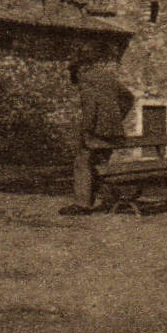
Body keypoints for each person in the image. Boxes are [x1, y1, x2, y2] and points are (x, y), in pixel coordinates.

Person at [63, 57, 134, 215]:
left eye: (73, 72)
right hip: (114, 131)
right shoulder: (108, 78)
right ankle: (109, 199)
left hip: (96, 132)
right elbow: (129, 97)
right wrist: (117, 117)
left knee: (82, 162)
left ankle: (82, 204)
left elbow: (90, 108)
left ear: (79, 70)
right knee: (102, 163)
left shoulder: (86, 81)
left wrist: (87, 131)